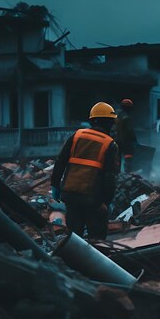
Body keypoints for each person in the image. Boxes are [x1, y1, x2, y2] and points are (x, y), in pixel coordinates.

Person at [51, 102, 120, 239]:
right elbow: (110, 177)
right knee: (97, 240)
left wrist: (55, 185)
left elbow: (60, 162)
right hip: (93, 200)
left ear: (92, 120)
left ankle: (72, 260)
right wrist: (106, 201)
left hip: (70, 195)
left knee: (74, 238)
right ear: (109, 123)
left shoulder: (77, 136)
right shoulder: (110, 144)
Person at [115, 98, 138, 173]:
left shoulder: (116, 116)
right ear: (129, 108)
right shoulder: (126, 118)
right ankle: (127, 174)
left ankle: (117, 173)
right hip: (125, 141)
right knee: (129, 156)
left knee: (117, 158)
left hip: (116, 140)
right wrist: (135, 140)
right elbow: (130, 130)